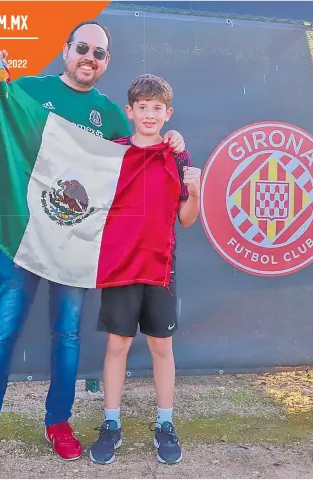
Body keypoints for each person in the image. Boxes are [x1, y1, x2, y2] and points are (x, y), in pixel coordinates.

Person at [0, 21, 187, 467]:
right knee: (1, 334)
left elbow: (144, 150)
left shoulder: (113, 116)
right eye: (83, 48)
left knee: (67, 336)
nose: (89, 58)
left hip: (77, 247)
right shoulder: (28, 91)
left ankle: (58, 421)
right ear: (66, 50)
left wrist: (174, 143)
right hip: (22, 239)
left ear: (106, 63)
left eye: (99, 54)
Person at [88, 74, 200, 466]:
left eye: (157, 108)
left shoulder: (178, 156)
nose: (149, 114)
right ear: (129, 111)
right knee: (116, 346)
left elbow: (186, 219)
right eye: (143, 107)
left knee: (160, 347)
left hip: (159, 267)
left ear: (167, 114)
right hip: (120, 267)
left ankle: (165, 424)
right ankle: (111, 423)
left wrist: (196, 189)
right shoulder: (112, 152)